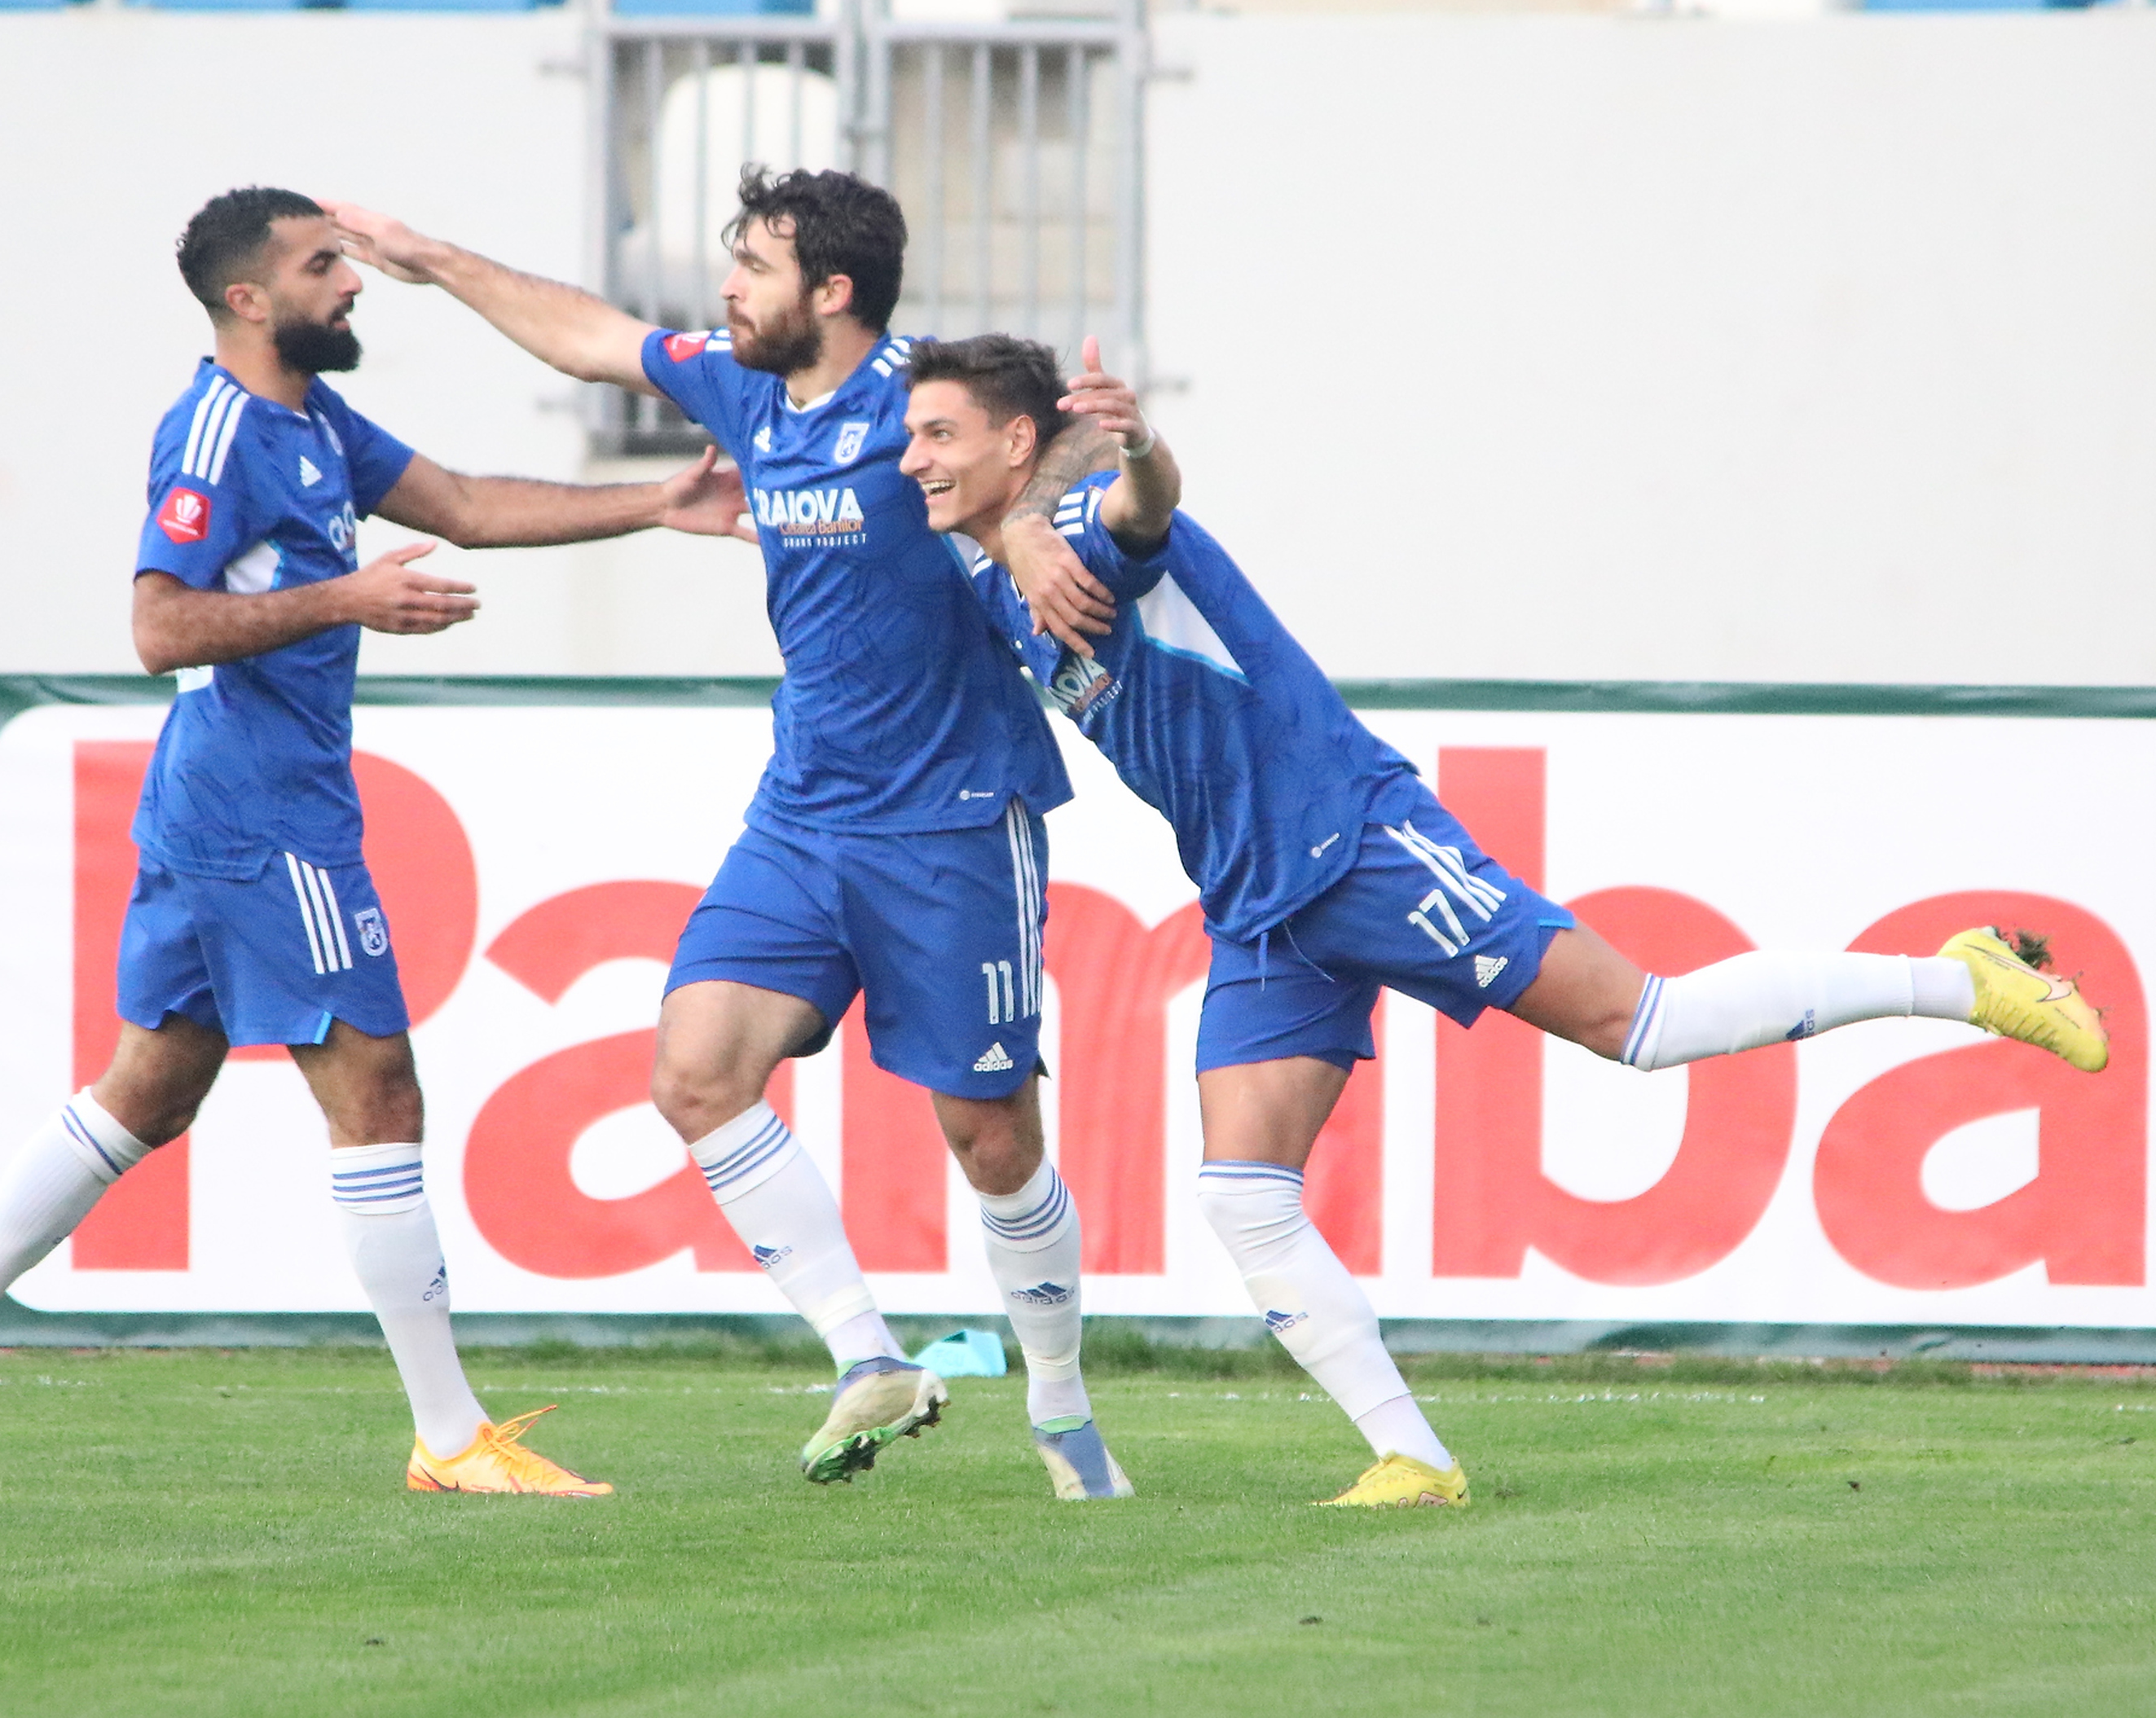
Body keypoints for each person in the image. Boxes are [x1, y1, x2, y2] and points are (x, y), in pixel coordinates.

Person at [899, 332, 2109, 1511]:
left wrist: (1143, 443)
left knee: (1647, 1023)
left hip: (1353, 841)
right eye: (908, 437)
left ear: (1014, 440)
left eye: (939, 435)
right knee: (1241, 1189)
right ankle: (1415, 1460)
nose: (914, 459)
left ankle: (1960, 977)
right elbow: (944, 480)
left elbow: (1142, 503)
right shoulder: (993, 553)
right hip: (1257, 893)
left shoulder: (1078, 534)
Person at [0, 186, 752, 1495]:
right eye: (325, 265)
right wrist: (354, 598)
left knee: (149, 1086)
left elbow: (467, 503)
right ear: (247, 299)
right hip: (263, 810)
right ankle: (449, 1440)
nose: (354, 282)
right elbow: (159, 626)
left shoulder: (313, 418)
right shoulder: (216, 432)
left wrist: (655, 503)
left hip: (227, 797)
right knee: (378, 1092)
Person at [323, 172, 1132, 1498]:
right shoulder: (746, 387)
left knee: (992, 1139)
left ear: (833, 293)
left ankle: (1061, 1405)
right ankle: (869, 1355)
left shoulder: (924, 398)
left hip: (954, 820)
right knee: (694, 1070)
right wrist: (432, 259)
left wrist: (1033, 521)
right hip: (804, 812)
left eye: (753, 264)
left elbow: (1058, 449)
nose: (728, 288)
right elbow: (590, 334)